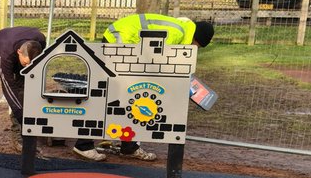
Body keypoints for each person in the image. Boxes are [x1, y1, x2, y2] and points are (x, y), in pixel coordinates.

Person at [73, 13, 215, 162]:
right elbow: (158, 61)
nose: (195, 50)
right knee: (110, 94)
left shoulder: (181, 32)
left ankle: (128, 146)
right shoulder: (177, 33)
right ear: (196, 39)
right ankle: (84, 145)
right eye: (197, 46)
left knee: (130, 97)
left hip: (125, 41)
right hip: (120, 41)